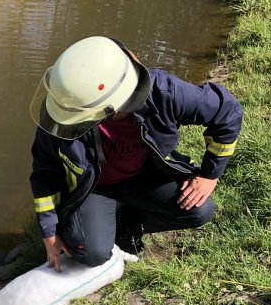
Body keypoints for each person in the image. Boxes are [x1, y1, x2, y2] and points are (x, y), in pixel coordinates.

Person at [29, 36, 243, 270]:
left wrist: (210, 175)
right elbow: (44, 171)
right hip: (93, 187)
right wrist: (48, 231)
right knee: (92, 254)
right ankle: (95, 223)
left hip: (145, 175)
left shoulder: (163, 92)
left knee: (199, 210)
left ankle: (129, 222)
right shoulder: (64, 111)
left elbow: (227, 111)